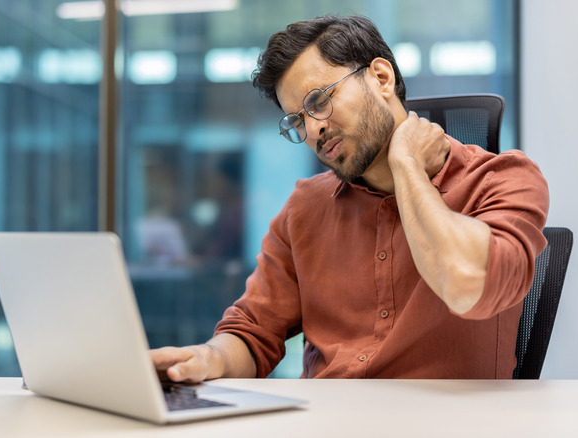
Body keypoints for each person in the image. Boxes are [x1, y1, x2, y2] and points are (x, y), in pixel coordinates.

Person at [151, 14, 549, 381]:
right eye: (297, 120)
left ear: (380, 77)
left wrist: (407, 165)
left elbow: (467, 285)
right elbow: (253, 329)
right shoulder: (305, 207)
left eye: (319, 101)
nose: (312, 130)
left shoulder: (503, 179)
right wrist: (209, 359)